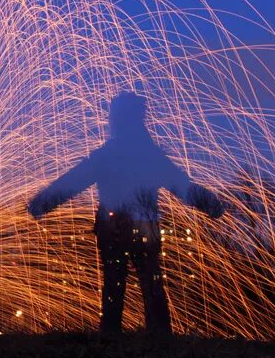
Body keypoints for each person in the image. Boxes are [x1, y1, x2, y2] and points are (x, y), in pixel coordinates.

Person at [27, 92, 224, 336]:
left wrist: (41, 204)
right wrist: (211, 205)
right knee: (151, 283)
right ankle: (160, 338)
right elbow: (182, 186)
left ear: (118, 119)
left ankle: (111, 338)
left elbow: (73, 181)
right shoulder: (151, 156)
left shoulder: (108, 155)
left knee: (114, 284)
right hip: (145, 227)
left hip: (113, 227)